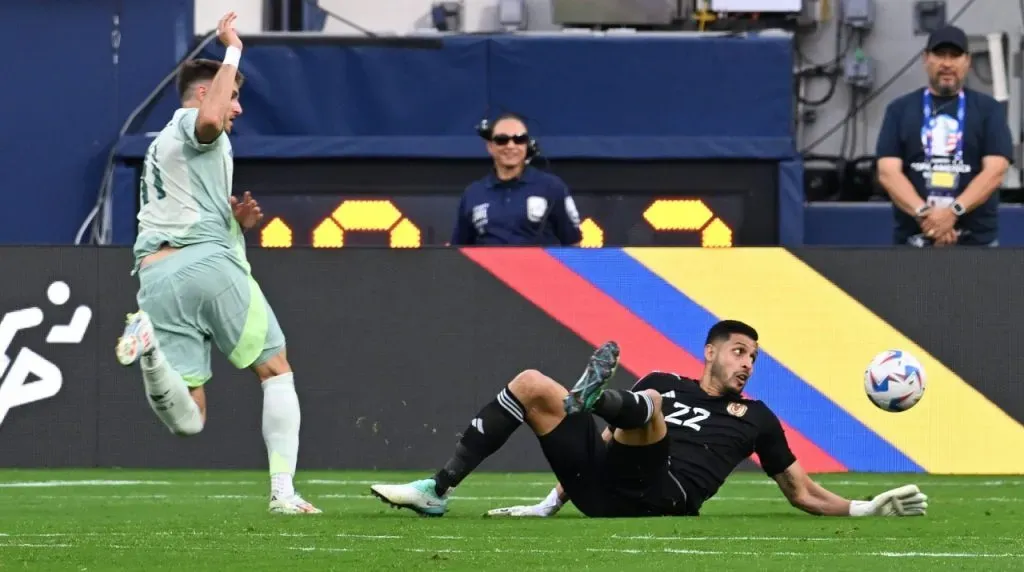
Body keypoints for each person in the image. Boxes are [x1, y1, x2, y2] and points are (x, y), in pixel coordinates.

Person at [370, 320, 928, 519]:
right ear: (709, 352)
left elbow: (801, 492)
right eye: (738, 351)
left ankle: (597, 397)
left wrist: (863, 507)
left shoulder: (757, 417)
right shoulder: (665, 378)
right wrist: (549, 503)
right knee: (533, 382)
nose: (747, 363)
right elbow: (609, 445)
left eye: (754, 357)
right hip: (604, 490)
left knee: (647, 414)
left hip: (666, 495)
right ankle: (438, 489)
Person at [114, 12, 320, 515]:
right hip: (206, 264)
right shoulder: (194, 120)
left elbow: (186, 206)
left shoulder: (161, 144)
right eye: (233, 96)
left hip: (156, 278)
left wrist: (238, 222)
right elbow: (207, 120)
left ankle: (150, 351)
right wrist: (233, 51)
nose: (238, 108)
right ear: (206, 93)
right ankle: (283, 493)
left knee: (189, 419)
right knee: (276, 370)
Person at [876, 25, 1013, 247]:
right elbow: (887, 172)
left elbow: (995, 171)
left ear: (967, 61)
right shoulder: (899, 110)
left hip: (976, 243)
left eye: (955, 56)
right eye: (940, 55)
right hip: (914, 241)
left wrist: (953, 212)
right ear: (925, 59)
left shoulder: (989, 110)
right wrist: (926, 216)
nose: (947, 64)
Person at [449, 113, 583, 246]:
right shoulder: (473, 193)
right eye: (502, 140)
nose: (511, 146)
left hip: (540, 268)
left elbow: (574, 244)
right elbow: (458, 251)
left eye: (519, 139)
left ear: (526, 145)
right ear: (490, 146)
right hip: (485, 268)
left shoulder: (552, 187)